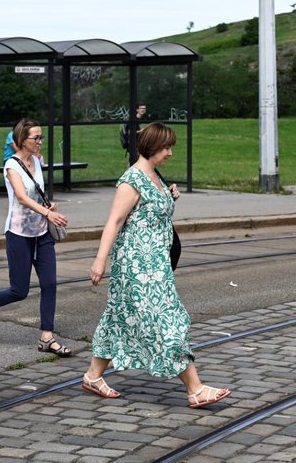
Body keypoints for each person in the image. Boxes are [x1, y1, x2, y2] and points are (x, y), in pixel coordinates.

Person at [83, 122, 230, 408]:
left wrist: (168, 195)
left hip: (156, 265)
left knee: (119, 319)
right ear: (151, 148)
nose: (170, 153)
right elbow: (114, 222)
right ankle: (195, 389)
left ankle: (92, 376)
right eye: (166, 147)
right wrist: (100, 260)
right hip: (137, 268)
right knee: (166, 323)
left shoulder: (155, 177)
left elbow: (152, 211)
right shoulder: (132, 180)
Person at [0, 119, 71, 356]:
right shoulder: (11, 165)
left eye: (41, 137)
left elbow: (36, 193)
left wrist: (47, 206)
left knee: (50, 284)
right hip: (19, 234)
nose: (40, 142)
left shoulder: (37, 161)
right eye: (37, 138)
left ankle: (46, 336)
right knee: (19, 290)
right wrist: (47, 213)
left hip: (41, 232)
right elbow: (22, 197)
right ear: (23, 139)